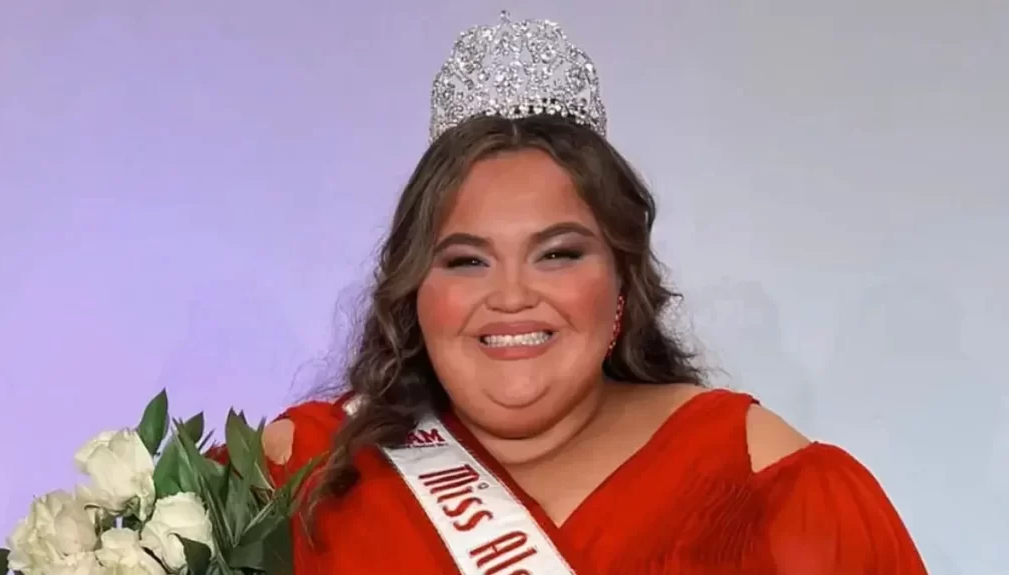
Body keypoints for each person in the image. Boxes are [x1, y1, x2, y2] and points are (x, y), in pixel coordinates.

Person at [258, 11, 928, 574]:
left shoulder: (761, 478)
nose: (511, 296)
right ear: (414, 291)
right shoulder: (299, 474)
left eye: (557, 254)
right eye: (466, 261)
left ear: (622, 280)